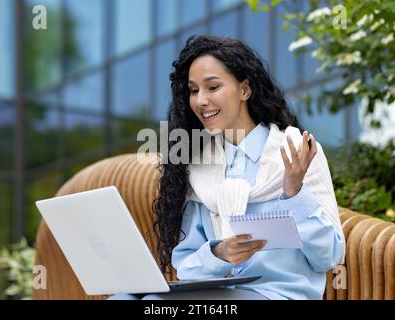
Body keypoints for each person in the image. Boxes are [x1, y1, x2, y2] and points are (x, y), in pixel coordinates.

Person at [108, 35, 345, 300]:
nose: (200, 100)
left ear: (244, 90)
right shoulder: (200, 167)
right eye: (194, 90)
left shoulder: (296, 151)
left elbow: (329, 255)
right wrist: (219, 253)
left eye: (212, 87)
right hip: (220, 294)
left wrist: (294, 193)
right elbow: (187, 266)